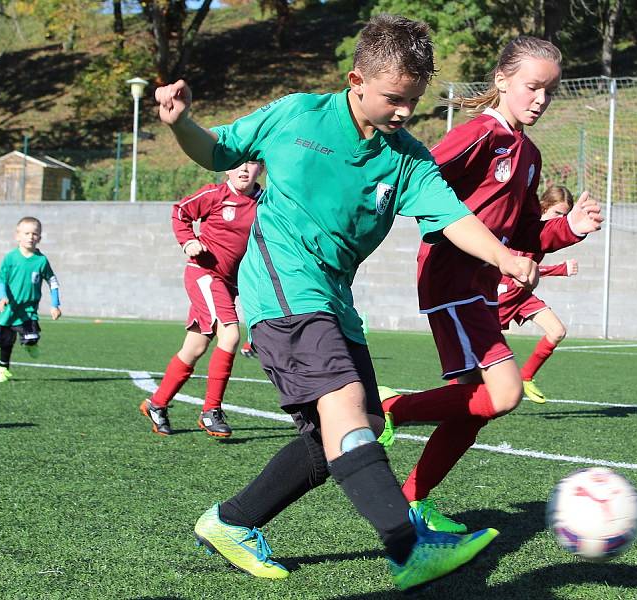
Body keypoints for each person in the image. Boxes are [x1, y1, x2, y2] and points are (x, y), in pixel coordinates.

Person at [154, 14, 542, 591]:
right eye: (394, 98)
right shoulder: (297, 115)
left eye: (413, 100)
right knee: (343, 401)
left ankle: (231, 521)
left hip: (335, 299)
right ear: (357, 79)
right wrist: (181, 121)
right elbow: (215, 152)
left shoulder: (406, 156)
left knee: (339, 431)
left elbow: (454, 218)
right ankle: (407, 547)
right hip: (281, 287)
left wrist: (505, 259)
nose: (405, 112)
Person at [378, 36, 603, 534]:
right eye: (532, 87)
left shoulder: (529, 154)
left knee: (472, 409)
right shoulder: (480, 134)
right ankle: (389, 408)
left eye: (549, 90)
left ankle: (410, 501)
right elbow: (417, 176)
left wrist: (571, 230)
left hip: (479, 286)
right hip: (451, 278)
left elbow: (526, 235)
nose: (540, 99)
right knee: (503, 394)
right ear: (502, 80)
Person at [139, 162, 263, 437]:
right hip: (203, 274)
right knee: (230, 336)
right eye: (237, 164)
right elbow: (180, 211)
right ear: (227, 170)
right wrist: (188, 240)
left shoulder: (264, 203)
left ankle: (156, 404)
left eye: (251, 163)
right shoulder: (215, 194)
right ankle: (211, 411)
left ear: (261, 169)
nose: (244, 169)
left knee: (194, 348)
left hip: (228, 284)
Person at [496, 185, 581, 404]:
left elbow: (529, 270)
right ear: (544, 207)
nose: (560, 219)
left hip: (521, 296)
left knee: (557, 331)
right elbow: (520, 269)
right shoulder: (524, 228)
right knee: (483, 359)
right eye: (557, 213)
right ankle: (455, 399)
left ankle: (526, 376)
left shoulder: (547, 234)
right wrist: (560, 269)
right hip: (502, 297)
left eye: (564, 215)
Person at [0, 216, 61, 383]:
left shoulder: (41, 260)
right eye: (27, 233)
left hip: (28, 310)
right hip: (9, 308)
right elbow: (0, 280)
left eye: (35, 233)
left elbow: (52, 281)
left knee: (31, 337)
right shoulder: (10, 258)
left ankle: (31, 344)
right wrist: (2, 297)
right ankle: (2, 369)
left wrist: (55, 304)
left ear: (40, 237)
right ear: (17, 236)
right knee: (5, 342)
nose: (31, 237)